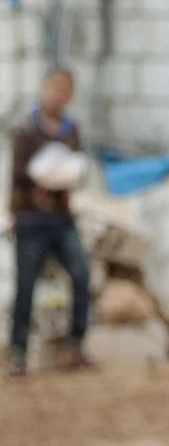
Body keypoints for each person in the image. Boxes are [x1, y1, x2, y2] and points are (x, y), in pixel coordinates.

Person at [8, 68, 91, 377]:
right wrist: (14, 214)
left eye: (65, 89)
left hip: (62, 219)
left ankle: (75, 345)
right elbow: (17, 176)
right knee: (26, 286)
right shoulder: (26, 130)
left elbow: (78, 170)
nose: (59, 95)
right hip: (31, 220)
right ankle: (17, 352)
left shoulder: (71, 131)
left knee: (82, 275)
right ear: (44, 88)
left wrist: (64, 179)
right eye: (55, 88)